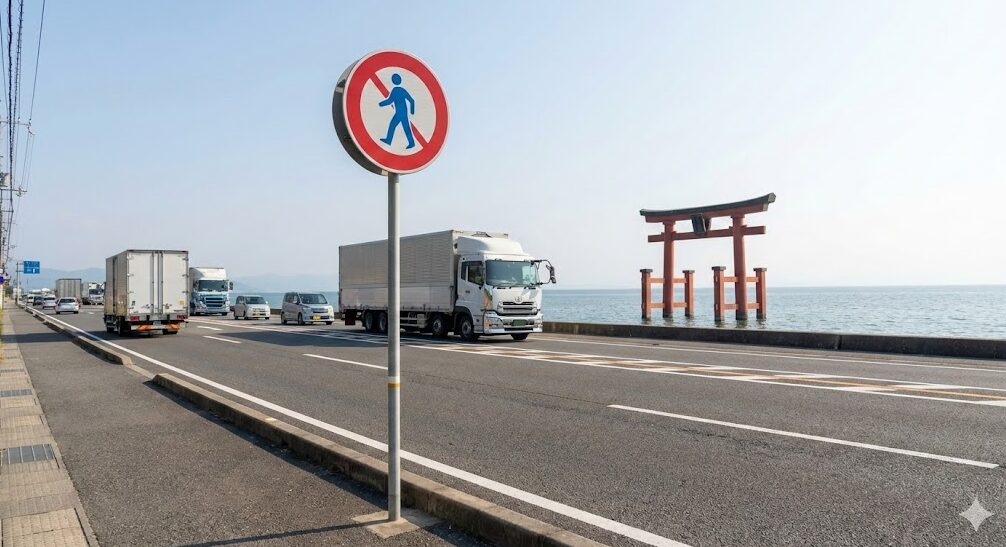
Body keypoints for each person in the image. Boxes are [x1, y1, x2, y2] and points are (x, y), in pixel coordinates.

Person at [378, 73, 416, 149]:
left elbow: (389, 101)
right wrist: (411, 111)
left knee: (396, 126)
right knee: (403, 127)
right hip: (402, 112)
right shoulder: (402, 90)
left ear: (393, 81)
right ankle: (410, 142)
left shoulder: (395, 90)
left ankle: (389, 140)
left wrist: (381, 104)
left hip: (400, 113)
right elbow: (412, 101)